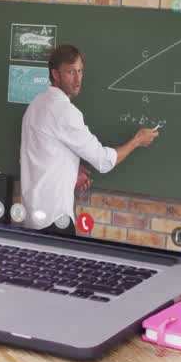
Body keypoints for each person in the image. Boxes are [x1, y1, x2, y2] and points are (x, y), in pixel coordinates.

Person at [20, 45, 157, 234]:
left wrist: (70, 170)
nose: (77, 79)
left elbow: (43, 154)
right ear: (56, 74)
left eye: (80, 71)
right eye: (70, 72)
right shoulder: (65, 112)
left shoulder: (36, 104)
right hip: (54, 221)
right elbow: (103, 161)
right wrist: (137, 140)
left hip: (32, 217)